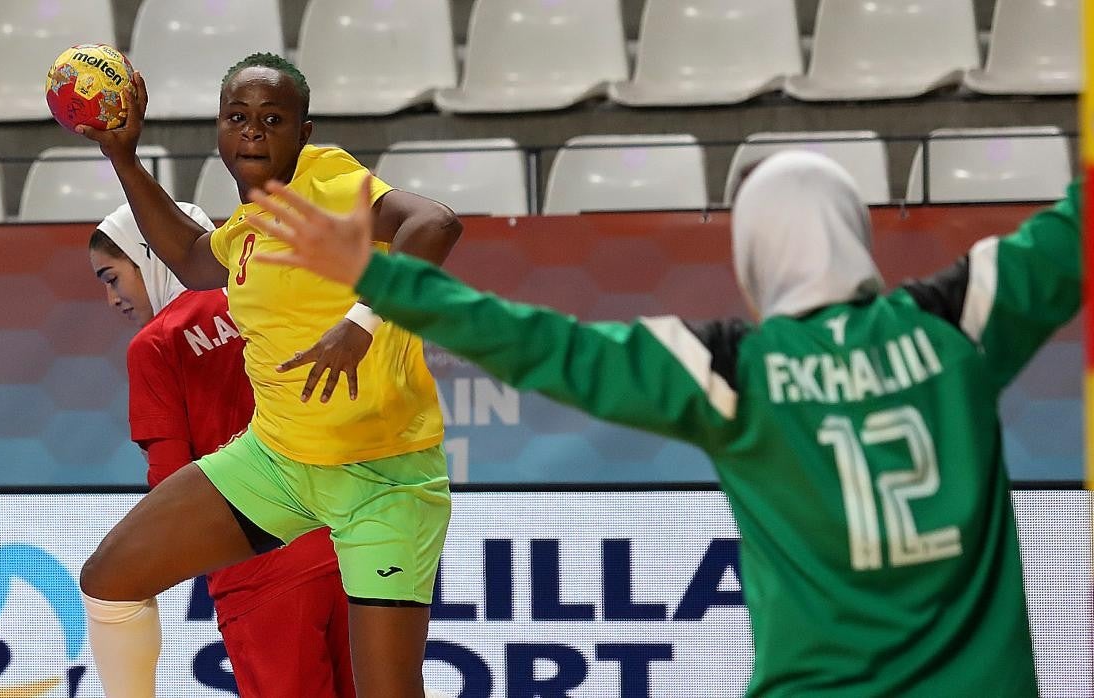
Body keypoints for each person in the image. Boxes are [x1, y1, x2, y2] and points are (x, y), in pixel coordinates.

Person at [245, 151, 1078, 696]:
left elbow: (541, 345)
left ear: (754, 258)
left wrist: (380, 281)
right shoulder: (962, 327)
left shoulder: (733, 377)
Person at [75, 53, 462, 698]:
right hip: (278, 462)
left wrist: (362, 320)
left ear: (303, 132)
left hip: (382, 479)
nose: (253, 131)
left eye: (272, 118)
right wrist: (123, 157)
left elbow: (436, 223)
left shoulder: (329, 185)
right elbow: (194, 260)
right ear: (220, 132)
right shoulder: (252, 221)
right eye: (238, 117)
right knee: (111, 580)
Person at [86, 202, 354, 697]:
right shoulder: (271, 299)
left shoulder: (156, 343)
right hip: (352, 547)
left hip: (261, 572)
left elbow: (171, 485)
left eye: (111, 277)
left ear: (149, 255)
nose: (111, 299)